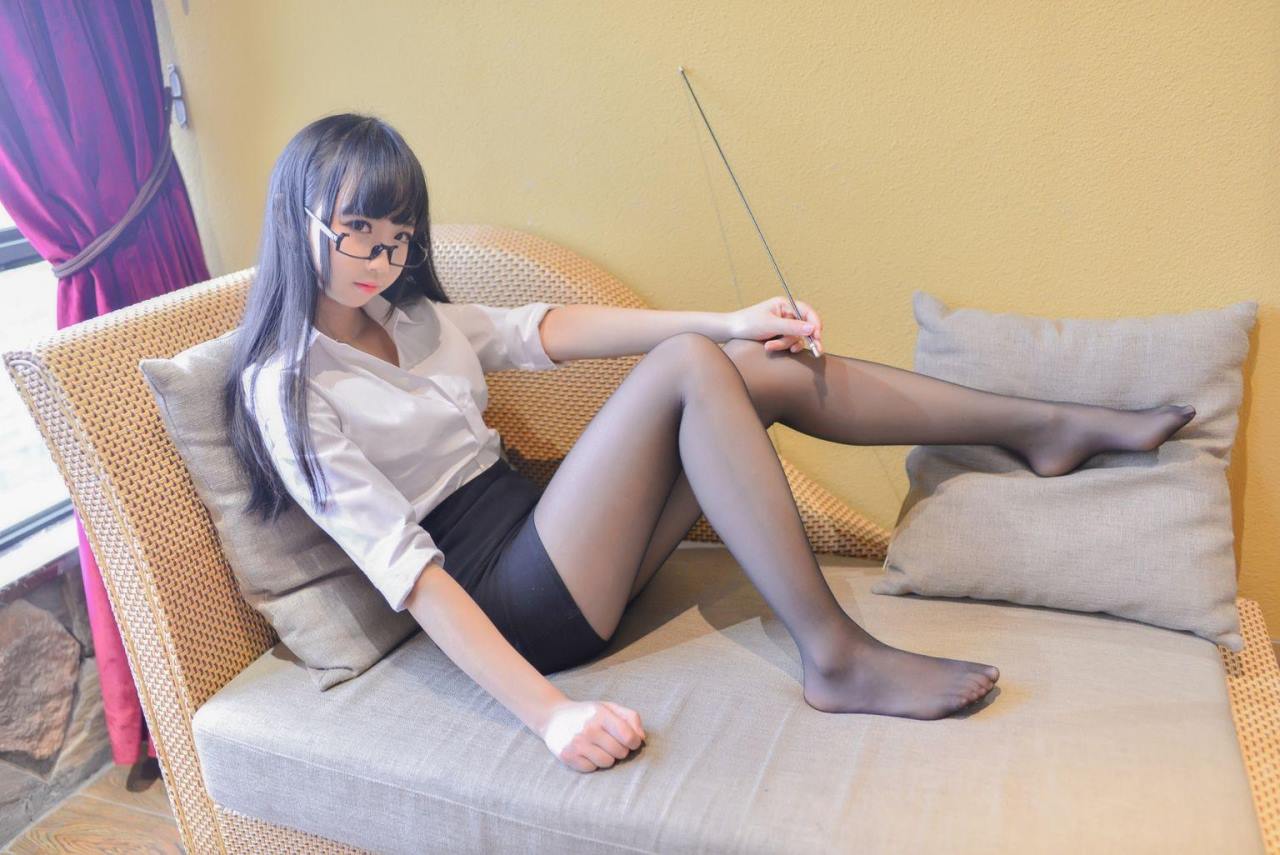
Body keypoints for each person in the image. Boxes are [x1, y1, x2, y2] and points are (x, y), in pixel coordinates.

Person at [224, 113, 1197, 774]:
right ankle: (836, 656)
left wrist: (732, 319)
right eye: (357, 232)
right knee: (695, 366)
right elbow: (409, 573)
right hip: (509, 600)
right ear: (295, 220)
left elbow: (541, 329)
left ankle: (1042, 426)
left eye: (398, 236)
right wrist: (549, 717)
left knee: (749, 364)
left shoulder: (406, 312)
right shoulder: (286, 386)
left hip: (545, 531)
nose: (382, 257)